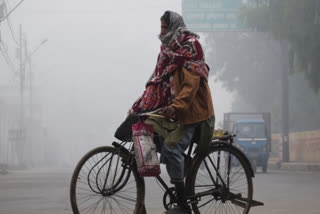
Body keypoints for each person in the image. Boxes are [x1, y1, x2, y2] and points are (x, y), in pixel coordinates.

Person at [129, 11, 215, 214]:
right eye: (161, 29)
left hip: (195, 113)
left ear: (174, 27)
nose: (161, 33)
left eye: (164, 28)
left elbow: (190, 87)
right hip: (178, 112)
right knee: (149, 129)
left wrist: (174, 107)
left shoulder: (190, 46)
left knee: (171, 148)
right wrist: (141, 105)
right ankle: (183, 167)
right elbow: (157, 82)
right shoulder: (167, 51)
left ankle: (184, 204)